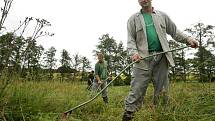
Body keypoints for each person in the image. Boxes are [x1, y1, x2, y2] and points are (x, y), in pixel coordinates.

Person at [122, 0, 198, 120]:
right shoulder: (133, 19)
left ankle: (160, 116)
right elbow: (130, 40)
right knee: (136, 90)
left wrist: (188, 39)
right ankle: (128, 116)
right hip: (142, 60)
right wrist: (134, 53)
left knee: (163, 92)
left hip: (162, 58)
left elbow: (174, 31)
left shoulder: (162, 16)